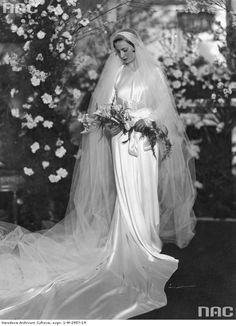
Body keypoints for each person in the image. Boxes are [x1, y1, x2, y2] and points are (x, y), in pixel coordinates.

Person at [0, 29, 196, 319]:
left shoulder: (152, 73)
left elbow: (161, 110)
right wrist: (114, 121)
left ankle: (147, 241)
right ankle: (126, 241)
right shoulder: (117, 75)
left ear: (135, 47)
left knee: (143, 188)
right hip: (121, 141)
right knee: (125, 192)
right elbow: (110, 107)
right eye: (118, 50)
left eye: (127, 49)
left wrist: (141, 121)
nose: (123, 55)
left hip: (144, 142)